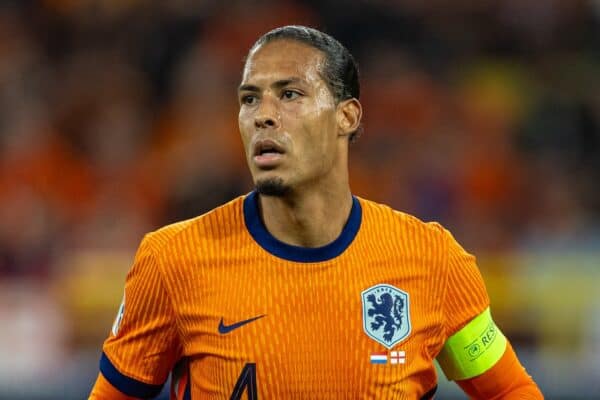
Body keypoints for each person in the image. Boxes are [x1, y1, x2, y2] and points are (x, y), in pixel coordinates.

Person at [89, 25, 543, 399]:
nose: (263, 115)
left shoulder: (432, 259)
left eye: (289, 94)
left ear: (347, 117)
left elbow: (508, 391)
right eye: (250, 99)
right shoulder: (173, 259)